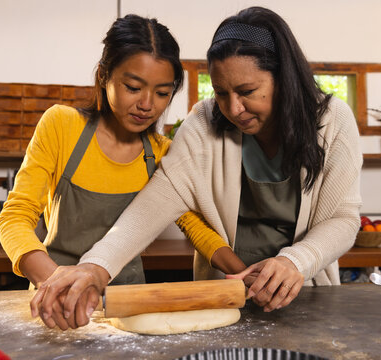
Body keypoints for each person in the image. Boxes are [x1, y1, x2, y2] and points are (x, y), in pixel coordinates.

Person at [31, 6, 362, 329]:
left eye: (248, 92)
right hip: (223, 294)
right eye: (220, 93)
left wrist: (295, 261)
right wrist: (94, 268)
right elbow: (152, 205)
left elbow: (343, 220)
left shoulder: (332, 121)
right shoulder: (204, 123)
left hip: (303, 293)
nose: (233, 108)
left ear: (284, 79)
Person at [0, 14, 237, 330]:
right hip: (54, 302)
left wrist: (241, 271)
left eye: (163, 93)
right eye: (133, 87)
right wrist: (53, 280)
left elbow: (195, 225)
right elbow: (15, 217)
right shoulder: (61, 126)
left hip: (127, 306)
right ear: (104, 76)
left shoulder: (161, 152)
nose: (147, 105)